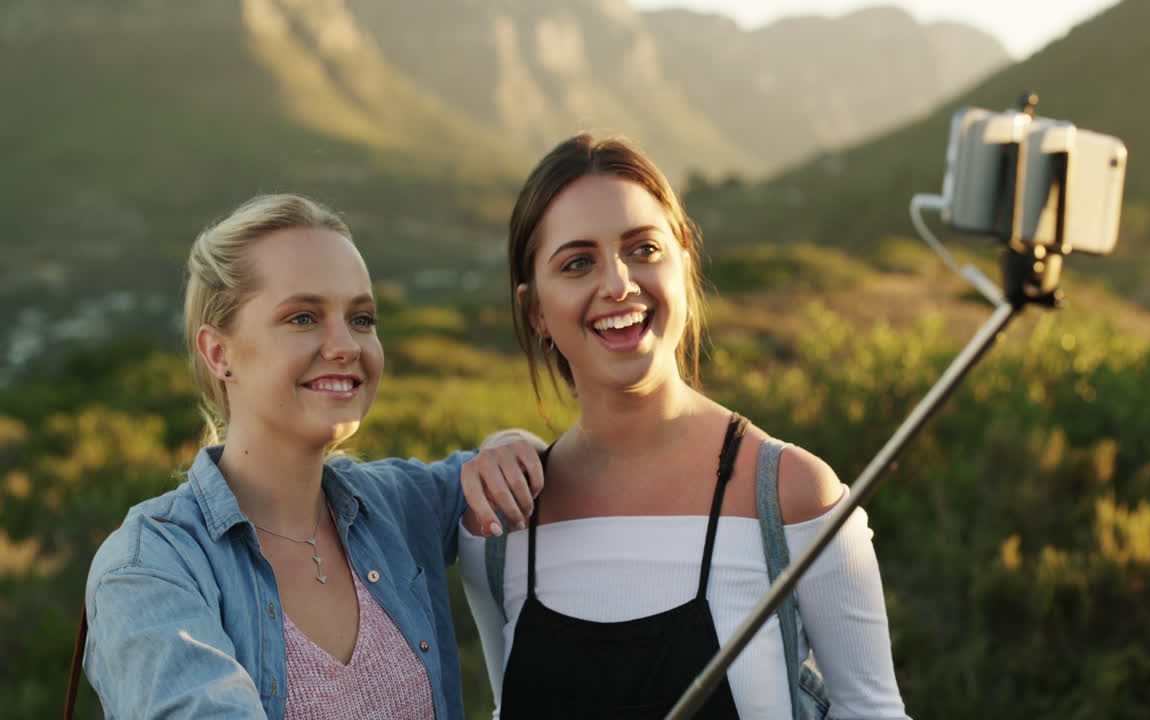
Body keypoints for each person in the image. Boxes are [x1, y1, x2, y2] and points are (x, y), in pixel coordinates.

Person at [459, 135, 911, 718]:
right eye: (577, 263)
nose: (619, 284)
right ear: (536, 312)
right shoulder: (501, 522)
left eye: (643, 249)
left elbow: (871, 712)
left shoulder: (791, 494)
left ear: (685, 269)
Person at [83, 194, 543, 720]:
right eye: (303, 318)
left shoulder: (398, 505)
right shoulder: (153, 566)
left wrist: (503, 442)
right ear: (219, 353)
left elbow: (511, 464)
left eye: (362, 318)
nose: (345, 344)